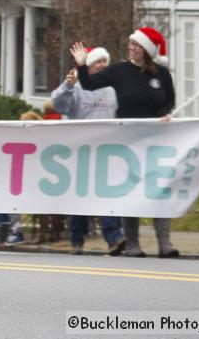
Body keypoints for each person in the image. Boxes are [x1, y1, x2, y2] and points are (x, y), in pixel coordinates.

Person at [72, 27, 177, 258]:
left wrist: (163, 115)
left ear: (147, 50)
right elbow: (89, 84)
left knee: (158, 189)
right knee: (132, 190)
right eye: (130, 43)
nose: (131, 47)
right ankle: (132, 244)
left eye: (136, 45)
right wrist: (81, 65)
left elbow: (169, 100)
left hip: (154, 138)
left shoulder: (161, 74)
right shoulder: (119, 70)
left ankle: (165, 243)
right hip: (128, 140)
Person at [50, 46, 125, 256]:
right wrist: (68, 85)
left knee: (105, 194)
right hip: (80, 151)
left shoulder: (111, 90)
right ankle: (76, 240)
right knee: (81, 198)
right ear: (88, 66)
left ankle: (113, 238)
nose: (102, 65)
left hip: (105, 151)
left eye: (104, 61)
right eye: (97, 61)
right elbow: (58, 104)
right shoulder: (77, 87)